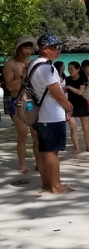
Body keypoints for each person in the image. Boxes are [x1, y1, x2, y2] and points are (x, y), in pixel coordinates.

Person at [29, 34, 73, 193]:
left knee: (43, 149)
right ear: (45, 49)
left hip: (40, 114)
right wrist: (68, 106)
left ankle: (47, 183)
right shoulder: (47, 67)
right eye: (56, 48)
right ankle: (56, 185)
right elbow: (58, 94)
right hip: (51, 115)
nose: (59, 51)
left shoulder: (33, 64)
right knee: (51, 151)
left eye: (60, 47)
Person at [1, 36, 39, 173]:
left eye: (30, 48)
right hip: (16, 102)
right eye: (25, 48)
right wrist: (23, 76)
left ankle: (38, 162)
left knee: (36, 135)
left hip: (31, 103)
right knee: (22, 135)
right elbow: (10, 87)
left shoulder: (32, 63)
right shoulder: (9, 65)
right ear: (19, 49)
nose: (28, 51)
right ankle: (22, 165)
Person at [64, 61, 89, 152]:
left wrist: (69, 87)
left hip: (82, 105)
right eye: (68, 69)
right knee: (73, 127)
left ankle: (88, 147)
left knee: (86, 128)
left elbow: (80, 92)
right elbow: (64, 91)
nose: (70, 71)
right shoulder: (67, 79)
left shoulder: (82, 79)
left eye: (71, 69)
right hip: (71, 105)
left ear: (78, 69)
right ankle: (76, 148)